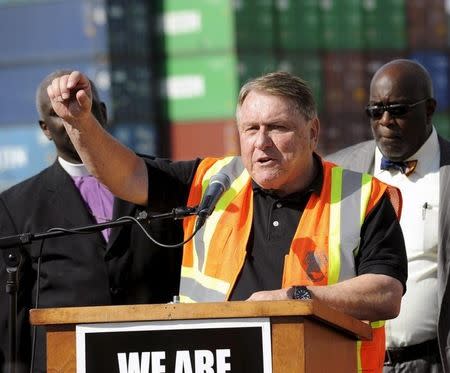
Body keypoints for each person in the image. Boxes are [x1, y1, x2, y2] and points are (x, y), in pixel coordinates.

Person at [47, 70, 408, 372]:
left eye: (277, 127)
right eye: (251, 129)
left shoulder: (364, 196)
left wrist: (296, 298)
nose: (261, 142)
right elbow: (125, 176)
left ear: (312, 132)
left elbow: (385, 292)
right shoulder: (210, 182)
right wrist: (79, 122)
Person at [0, 70, 183, 373]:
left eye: (85, 105)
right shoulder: (15, 206)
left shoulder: (161, 181)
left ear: (103, 112)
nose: (74, 116)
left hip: (155, 356)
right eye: (60, 113)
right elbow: (10, 317)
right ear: (45, 129)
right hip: (65, 362)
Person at [326, 59, 449, 372]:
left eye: (398, 110)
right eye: (375, 111)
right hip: (358, 361)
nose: (385, 121)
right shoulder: (339, 171)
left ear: (430, 109)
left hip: (435, 362)